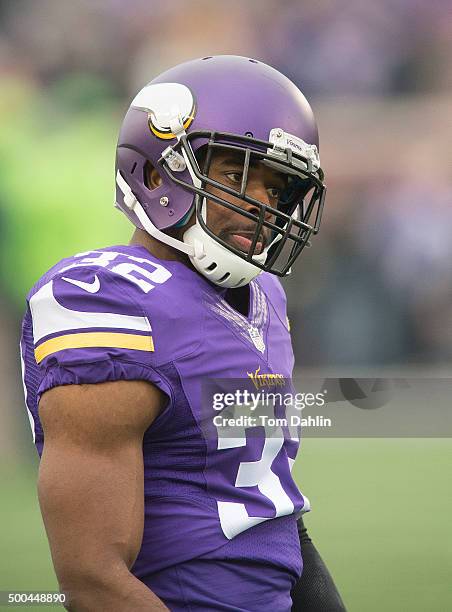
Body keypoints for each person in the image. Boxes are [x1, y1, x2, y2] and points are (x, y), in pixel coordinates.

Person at [20, 55, 345, 611]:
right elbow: (93, 578)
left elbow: (265, 510)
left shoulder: (264, 297)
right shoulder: (107, 300)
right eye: (238, 176)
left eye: (280, 188)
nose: (263, 206)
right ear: (156, 173)